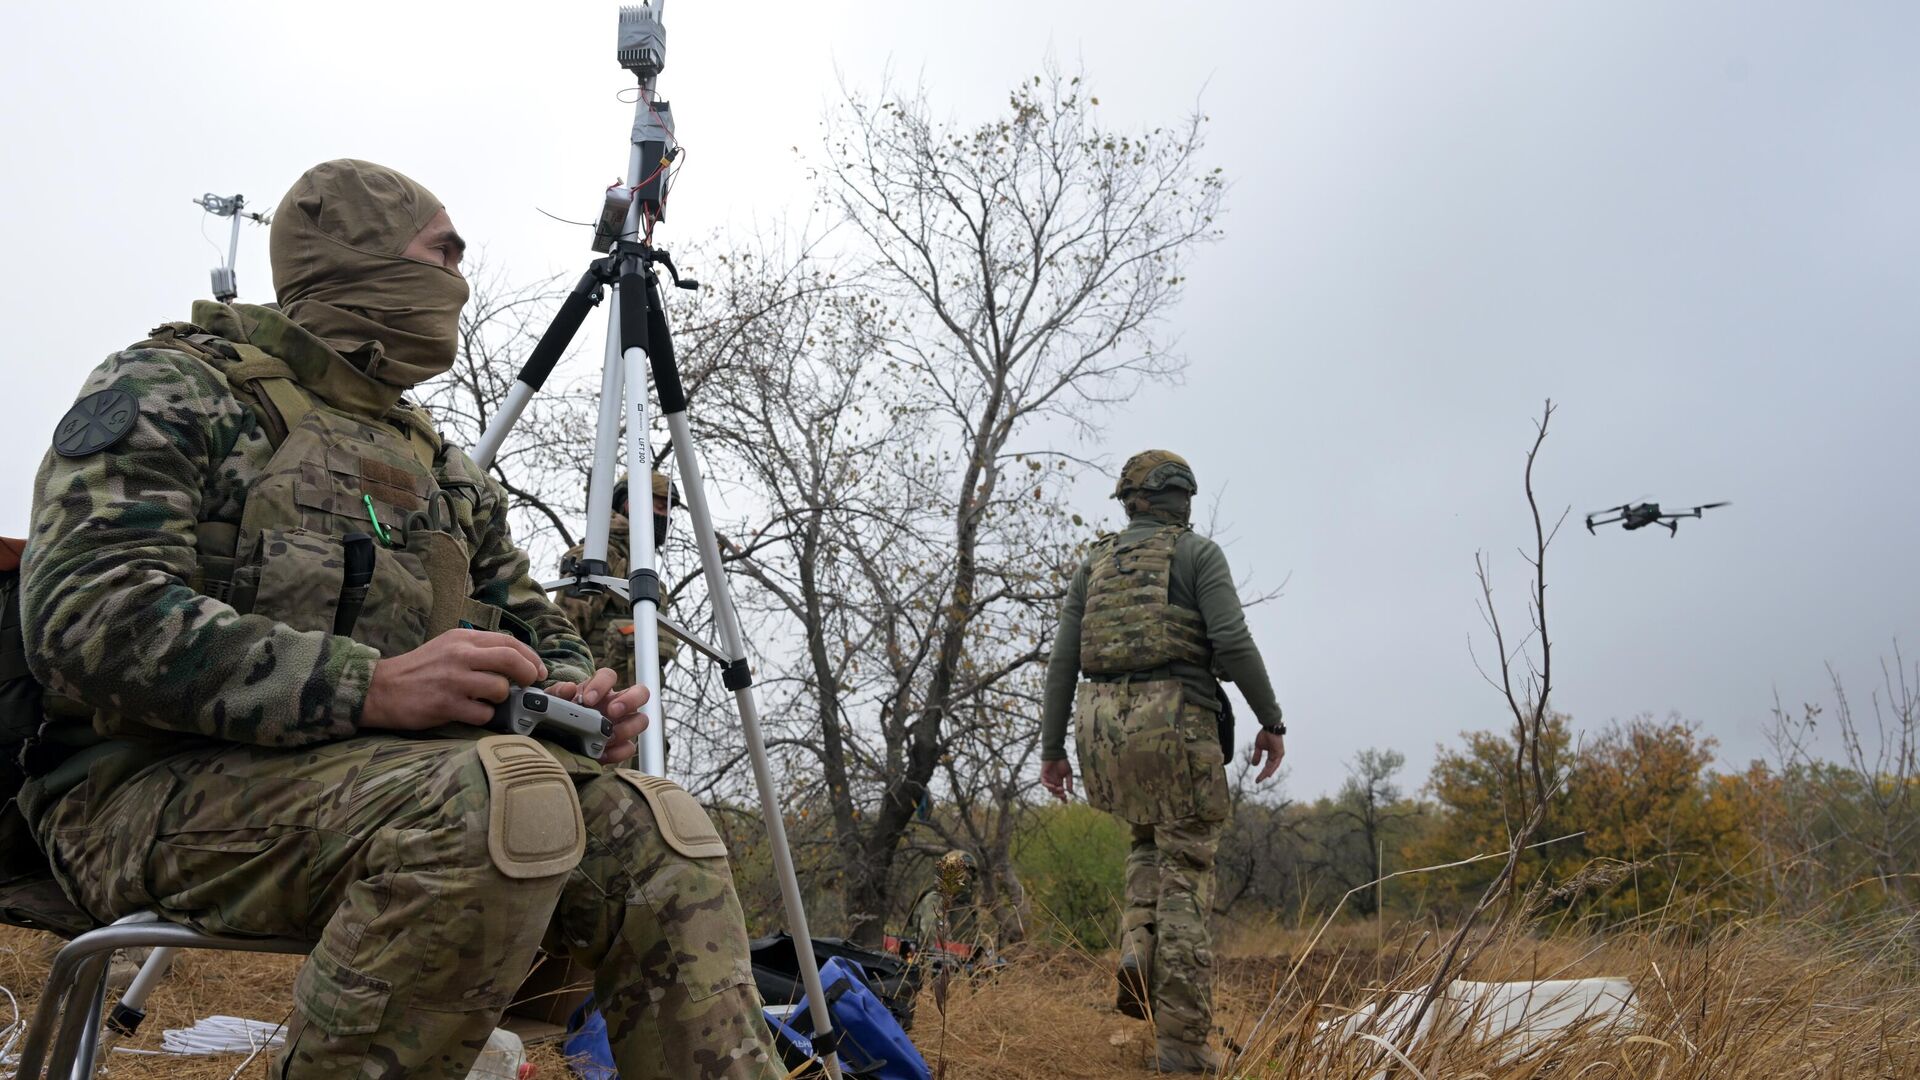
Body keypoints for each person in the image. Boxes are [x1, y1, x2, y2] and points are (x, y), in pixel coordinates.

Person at [17, 159, 779, 1080]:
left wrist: (580, 692)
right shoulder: (176, 389)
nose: (457, 279)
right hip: (142, 793)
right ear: (355, 254)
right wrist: (368, 685)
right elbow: (87, 615)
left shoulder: (439, 466)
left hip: (389, 793)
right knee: (498, 800)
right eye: (441, 253)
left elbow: (533, 623)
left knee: (663, 829)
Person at [1036, 450, 1287, 1075]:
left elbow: (1063, 662)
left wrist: (1052, 751)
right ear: (1180, 498)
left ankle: (1136, 949)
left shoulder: (1094, 563)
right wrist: (1271, 720)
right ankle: (1181, 1047)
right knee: (1188, 874)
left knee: (1145, 848)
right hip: (1178, 726)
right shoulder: (1197, 555)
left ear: (1129, 501)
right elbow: (1230, 639)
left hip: (1103, 733)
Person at [556, 471, 678, 694]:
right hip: (594, 701)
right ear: (631, 505)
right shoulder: (598, 556)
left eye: (669, 511)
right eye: (660, 508)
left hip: (637, 710)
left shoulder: (645, 570)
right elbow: (561, 634)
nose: (666, 517)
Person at [903, 850, 990, 962]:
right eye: (960, 871)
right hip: (927, 964)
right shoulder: (934, 898)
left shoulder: (967, 908)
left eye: (969, 872)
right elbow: (932, 935)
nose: (966, 877)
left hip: (960, 966)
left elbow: (976, 940)